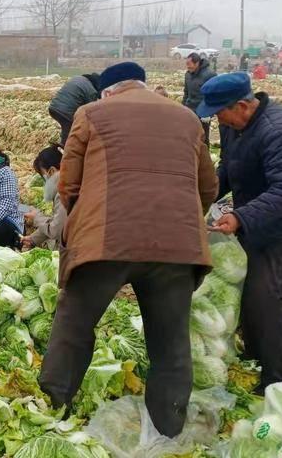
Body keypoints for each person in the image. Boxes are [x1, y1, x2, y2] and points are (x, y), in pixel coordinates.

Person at [40, 61, 219, 438]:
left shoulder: (90, 114)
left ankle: (52, 407)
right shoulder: (187, 118)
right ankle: (169, 426)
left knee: (75, 324)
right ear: (142, 84)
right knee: (170, 341)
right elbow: (208, 188)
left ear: (107, 91)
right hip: (176, 247)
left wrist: (82, 220)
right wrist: (177, 220)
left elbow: (68, 186)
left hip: (107, 241)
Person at [200, 72, 282, 393]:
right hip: (259, 214)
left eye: (220, 113)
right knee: (247, 283)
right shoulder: (234, 127)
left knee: (263, 295)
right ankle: (257, 349)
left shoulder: (278, 130)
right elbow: (226, 171)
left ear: (243, 105)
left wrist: (241, 217)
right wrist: (200, 199)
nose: (217, 120)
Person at [21, 145, 67, 251]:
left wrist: (36, 216)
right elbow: (58, 221)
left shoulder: (64, 193)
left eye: (43, 176)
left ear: (51, 171)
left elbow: (56, 229)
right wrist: (33, 239)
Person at [48, 73, 100, 146]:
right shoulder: (91, 90)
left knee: (66, 128)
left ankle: (61, 147)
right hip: (65, 112)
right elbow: (93, 108)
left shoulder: (77, 78)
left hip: (54, 107)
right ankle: (64, 150)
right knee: (71, 131)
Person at [183, 53, 217, 145]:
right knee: (190, 136)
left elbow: (214, 95)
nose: (187, 67)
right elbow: (186, 92)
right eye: (186, 64)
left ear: (197, 63)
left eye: (189, 64)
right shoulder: (188, 75)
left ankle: (204, 158)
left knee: (203, 137)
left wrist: (209, 113)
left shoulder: (210, 75)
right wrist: (183, 108)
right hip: (190, 110)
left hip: (203, 113)